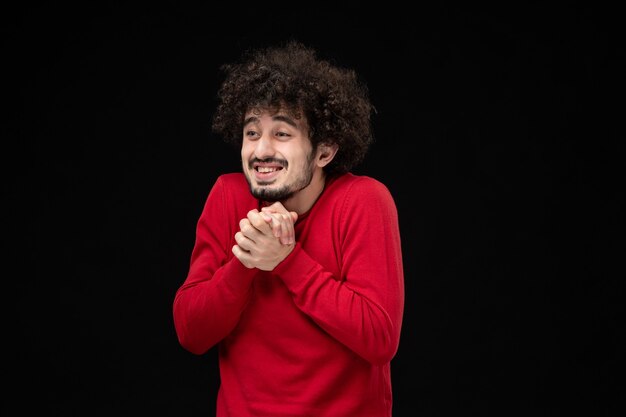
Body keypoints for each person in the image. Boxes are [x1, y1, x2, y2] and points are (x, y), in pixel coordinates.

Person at [173, 40, 405, 417]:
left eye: (282, 134)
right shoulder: (228, 196)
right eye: (252, 133)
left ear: (324, 151)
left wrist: (286, 260)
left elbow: (380, 338)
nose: (261, 150)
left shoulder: (364, 200)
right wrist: (247, 259)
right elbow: (191, 332)